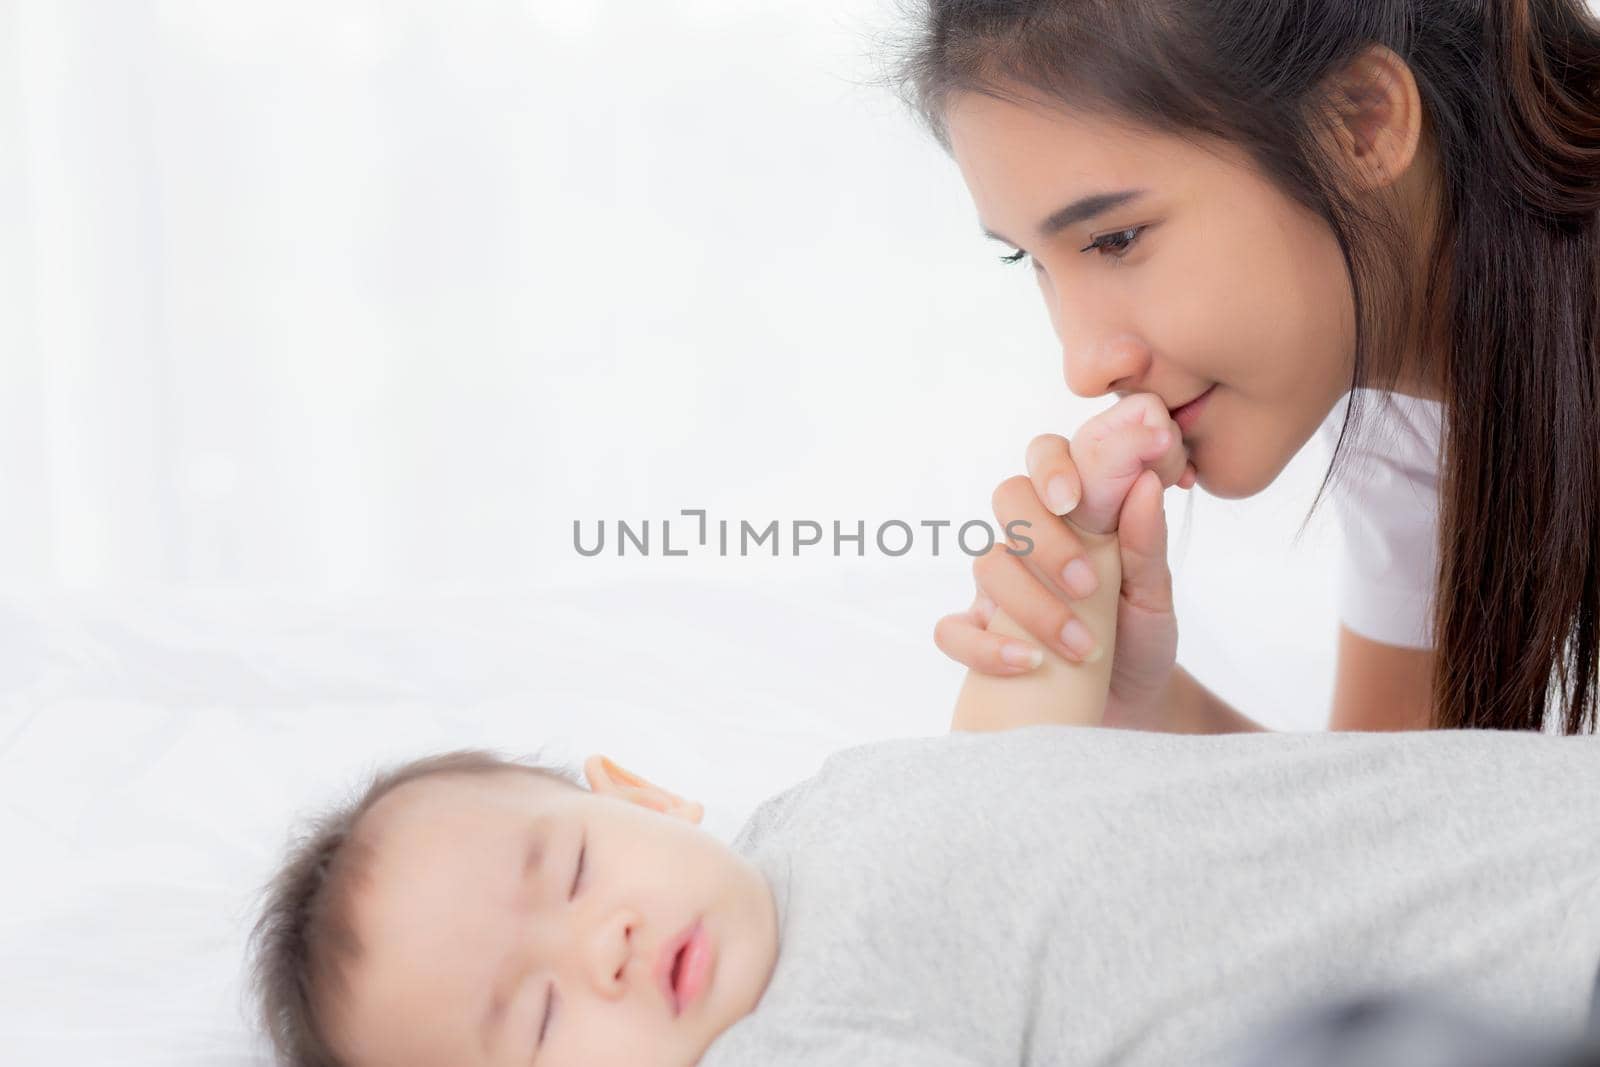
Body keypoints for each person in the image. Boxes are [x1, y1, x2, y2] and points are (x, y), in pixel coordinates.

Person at [245, 413, 1600, 1067]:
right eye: (535, 1020)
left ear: (642, 792)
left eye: (574, 869)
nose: (595, 945)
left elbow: (1003, 746)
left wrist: (1073, 542)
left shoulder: (818, 810)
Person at [893, 0, 1600, 737]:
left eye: (1116, 239)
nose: (1083, 367)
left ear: (1360, 125)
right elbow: (1399, 804)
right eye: (1029, 260)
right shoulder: (1399, 414)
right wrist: (1141, 700)